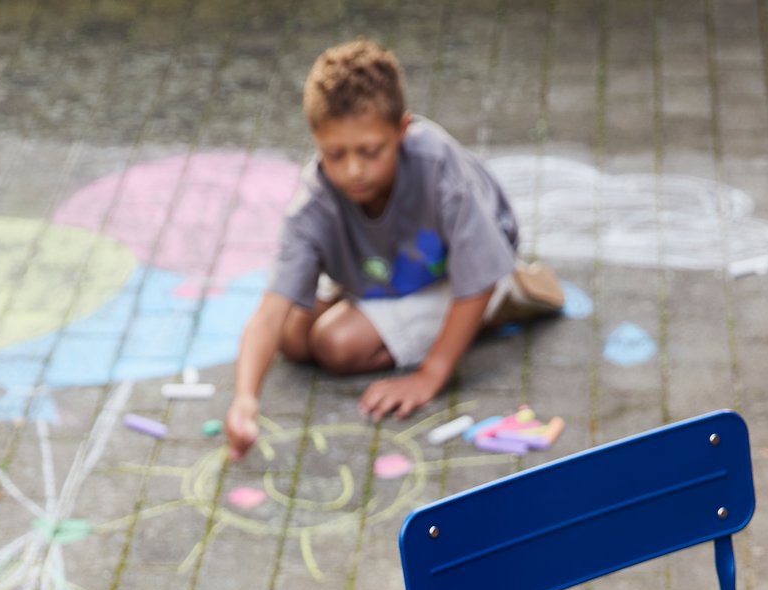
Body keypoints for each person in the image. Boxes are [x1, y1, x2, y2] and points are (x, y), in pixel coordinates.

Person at [226, 39, 563, 461]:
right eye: (335, 154)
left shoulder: (436, 166)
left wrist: (431, 374)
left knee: (336, 344)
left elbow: (474, 277)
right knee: (293, 335)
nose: (353, 170)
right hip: (391, 272)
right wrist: (244, 400)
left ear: (403, 131)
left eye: (370, 151)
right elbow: (270, 312)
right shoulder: (314, 203)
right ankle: (409, 310)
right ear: (316, 141)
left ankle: (505, 300)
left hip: (470, 275)